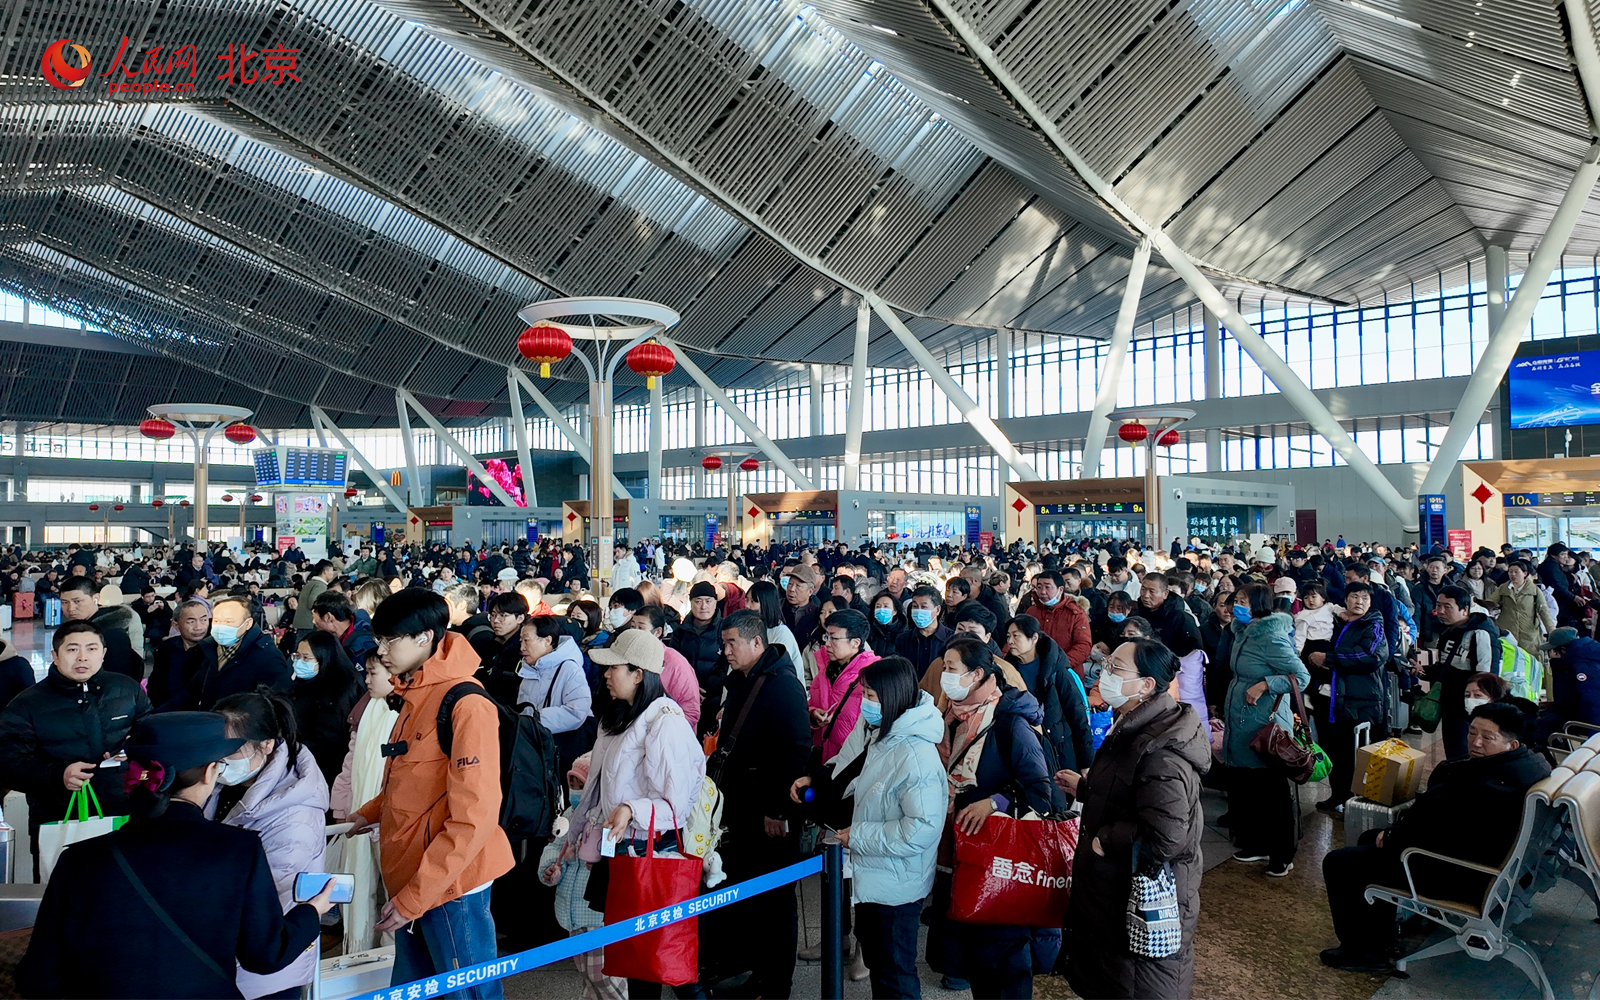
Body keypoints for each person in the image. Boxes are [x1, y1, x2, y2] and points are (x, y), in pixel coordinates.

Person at [16, 711, 337, 998]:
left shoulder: (80, 860)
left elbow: (39, 976)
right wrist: (311, 911)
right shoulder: (238, 851)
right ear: (211, 772)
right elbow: (266, 955)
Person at [348, 590, 514, 998]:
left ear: (424, 637)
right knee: (417, 990)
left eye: (390, 641)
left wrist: (416, 896)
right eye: (379, 639)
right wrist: (366, 814)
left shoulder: (466, 704)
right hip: (411, 879)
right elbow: (407, 780)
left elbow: (474, 818)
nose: (381, 651)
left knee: (470, 993)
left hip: (450, 886)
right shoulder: (413, 694)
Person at [1320, 702, 1551, 972]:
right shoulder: (1524, 765)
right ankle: (1378, 938)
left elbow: (1448, 833)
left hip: (1460, 873)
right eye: (1472, 732)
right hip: (1481, 861)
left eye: (1488, 738)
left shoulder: (1493, 784)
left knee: (1339, 862)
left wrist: (1396, 838)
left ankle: (1363, 954)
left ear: (1511, 744)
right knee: (1371, 839)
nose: (1475, 742)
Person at [1061, 638, 1208, 1000]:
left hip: (1137, 896)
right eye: (1106, 664)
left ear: (1146, 686)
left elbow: (1167, 836)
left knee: (1137, 986)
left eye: (1115, 668)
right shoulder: (1133, 725)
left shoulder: (1161, 752)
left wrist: (1106, 839)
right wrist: (1087, 789)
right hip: (1112, 892)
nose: (1104, 673)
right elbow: (1134, 793)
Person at [792, 656, 943, 999]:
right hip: (875, 875)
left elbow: (922, 829)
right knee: (882, 966)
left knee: (896, 975)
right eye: (864, 694)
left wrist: (857, 836)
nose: (866, 703)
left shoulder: (915, 754)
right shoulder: (882, 733)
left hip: (897, 886)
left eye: (872, 696)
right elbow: (848, 770)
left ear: (894, 697)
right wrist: (816, 780)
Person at [566, 629, 706, 1000]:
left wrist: (632, 809)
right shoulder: (617, 716)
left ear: (640, 673)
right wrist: (575, 834)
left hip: (652, 855)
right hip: (622, 852)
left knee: (666, 959)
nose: (606, 675)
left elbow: (676, 806)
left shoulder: (666, 722)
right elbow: (599, 787)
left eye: (614, 667)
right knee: (635, 959)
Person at [926, 637, 1053, 998]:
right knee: (974, 957)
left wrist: (993, 802)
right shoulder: (947, 717)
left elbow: (1041, 792)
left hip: (999, 861)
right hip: (958, 854)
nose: (944, 676)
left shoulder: (1010, 723)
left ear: (977, 674)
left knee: (1004, 960)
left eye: (950, 669)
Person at [706, 609, 810, 998]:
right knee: (750, 892)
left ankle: (777, 982)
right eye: (724, 642)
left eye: (733, 643)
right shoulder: (743, 679)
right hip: (741, 807)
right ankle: (757, 972)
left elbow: (796, 750)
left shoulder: (781, 684)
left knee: (775, 901)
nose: (726, 650)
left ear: (756, 642)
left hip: (769, 810)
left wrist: (778, 810)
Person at [0, 621, 151, 881]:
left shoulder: (126, 689)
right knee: (63, 895)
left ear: (103, 653)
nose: (82, 657)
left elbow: (151, 736)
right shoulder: (26, 705)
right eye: (72, 650)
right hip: (58, 815)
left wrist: (134, 751)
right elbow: (8, 764)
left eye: (91, 648)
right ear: (55, 655)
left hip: (124, 812)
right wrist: (59, 774)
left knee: (124, 891)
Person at [209, 689, 329, 1000]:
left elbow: (270, 899)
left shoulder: (295, 814)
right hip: (221, 951)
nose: (220, 758)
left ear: (266, 745)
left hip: (266, 965)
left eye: (231, 749)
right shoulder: (220, 781)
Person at [1222, 583, 1310, 877]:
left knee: (1272, 790)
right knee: (1248, 787)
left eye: (1244, 601)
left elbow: (1300, 676)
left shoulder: (1270, 636)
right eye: (1237, 600)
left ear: (1260, 604)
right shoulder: (1242, 633)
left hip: (1266, 724)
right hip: (1241, 719)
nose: (1238, 605)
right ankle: (1256, 844)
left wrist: (1266, 684)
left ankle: (1282, 853)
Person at [330, 654, 401, 953]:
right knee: (363, 887)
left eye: (373, 673)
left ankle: (393, 961)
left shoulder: (410, 712)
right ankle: (361, 955)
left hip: (393, 821)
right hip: (362, 817)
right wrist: (342, 809)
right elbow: (351, 764)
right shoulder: (367, 708)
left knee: (395, 895)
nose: (367, 680)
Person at [1307, 582, 1386, 813]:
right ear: (1346, 599)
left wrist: (1329, 658)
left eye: (1364, 598)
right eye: (1354, 596)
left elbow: (1370, 655)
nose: (1359, 601)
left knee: (1354, 754)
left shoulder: (1372, 625)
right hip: (1328, 699)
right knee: (1332, 750)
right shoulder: (1335, 622)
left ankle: (1356, 801)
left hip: (1357, 701)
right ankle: (1338, 795)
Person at [1004, 614, 1095, 793]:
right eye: (1008, 636)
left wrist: (1086, 762)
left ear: (1034, 638)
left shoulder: (1057, 671)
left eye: (1016, 636)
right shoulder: (1007, 671)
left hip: (1058, 748)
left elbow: (1078, 717)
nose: (1011, 641)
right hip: (1023, 746)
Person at [162, 597, 291, 712]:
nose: (221, 627)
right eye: (217, 621)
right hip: (212, 726)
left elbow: (278, 706)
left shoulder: (267, 657)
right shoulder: (212, 648)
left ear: (247, 624)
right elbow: (191, 692)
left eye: (229, 622)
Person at [515, 613, 594, 777]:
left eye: (527, 640)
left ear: (547, 640)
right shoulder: (529, 670)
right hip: (535, 747)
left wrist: (535, 720)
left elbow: (577, 710)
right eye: (520, 641)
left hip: (563, 749)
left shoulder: (569, 668)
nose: (522, 647)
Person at [1429, 585, 1499, 760]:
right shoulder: (1449, 632)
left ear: (1465, 609)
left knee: (1467, 752)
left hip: (1469, 709)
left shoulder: (1479, 634)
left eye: (1447, 607)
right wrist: (1424, 671)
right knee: (1453, 751)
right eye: (1438, 606)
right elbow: (1448, 667)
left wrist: (1478, 708)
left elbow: (1487, 676)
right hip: (1450, 704)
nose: (1441, 611)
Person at [287, 631, 362, 787]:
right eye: (297, 656)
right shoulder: (302, 684)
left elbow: (327, 739)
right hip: (300, 762)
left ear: (325, 658)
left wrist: (290, 751)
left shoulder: (341, 690)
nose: (299, 662)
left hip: (326, 771)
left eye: (306, 658)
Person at [808, 608, 879, 764]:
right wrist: (813, 715)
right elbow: (810, 704)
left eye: (833, 638)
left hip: (849, 763)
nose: (826, 643)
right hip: (820, 756)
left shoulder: (873, 677)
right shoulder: (825, 668)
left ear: (855, 643)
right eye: (826, 636)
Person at [622, 604, 702, 731]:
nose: (634, 633)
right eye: (632, 627)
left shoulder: (675, 663)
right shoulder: (627, 656)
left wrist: (660, 732)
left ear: (658, 632)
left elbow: (691, 713)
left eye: (641, 628)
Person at [57, 577, 141, 681]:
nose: (70, 608)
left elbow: (120, 679)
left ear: (95, 598)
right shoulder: (72, 630)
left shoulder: (113, 633)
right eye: (64, 602)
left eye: (77, 601)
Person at [670, 580, 725, 731]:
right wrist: (690, 689)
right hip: (683, 699)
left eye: (708, 601)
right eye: (698, 601)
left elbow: (726, 666)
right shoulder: (680, 632)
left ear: (715, 603)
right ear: (691, 602)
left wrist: (704, 689)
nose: (703, 606)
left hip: (713, 699)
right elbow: (673, 664)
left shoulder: (725, 630)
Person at [1536, 627, 1600, 742]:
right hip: (1577, 713)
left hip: (1591, 722)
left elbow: (1593, 703)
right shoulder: (1577, 659)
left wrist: (1594, 740)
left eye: (1553, 651)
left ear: (1563, 649)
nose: (1550, 655)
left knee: (1541, 727)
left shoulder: (1583, 666)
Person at [1025, 571, 1092, 676]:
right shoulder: (1032, 611)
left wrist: (1061, 664)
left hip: (1066, 673)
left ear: (1060, 589)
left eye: (1048, 587)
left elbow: (1083, 645)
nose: (1042, 592)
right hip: (1035, 671)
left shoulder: (1075, 613)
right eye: (1039, 587)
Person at [150, 599, 215, 708]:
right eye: (191, 622)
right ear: (176, 624)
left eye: (203, 620)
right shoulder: (166, 648)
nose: (198, 627)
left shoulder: (214, 650)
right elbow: (155, 684)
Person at [749, 579, 803, 684]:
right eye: (746, 600)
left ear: (766, 603)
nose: (747, 606)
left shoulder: (781, 633)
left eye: (753, 601)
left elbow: (776, 668)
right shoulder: (752, 629)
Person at [894, 585, 952, 680]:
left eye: (924, 607)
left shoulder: (951, 639)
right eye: (915, 606)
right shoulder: (903, 640)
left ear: (937, 610)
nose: (918, 611)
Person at [311, 591, 379, 673]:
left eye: (315, 617)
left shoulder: (363, 648)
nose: (314, 622)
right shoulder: (339, 638)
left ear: (328, 617)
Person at [293, 560, 337, 633]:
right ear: (325, 571)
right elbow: (312, 602)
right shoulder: (320, 585)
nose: (332, 573)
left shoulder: (311, 583)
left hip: (302, 622)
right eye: (332, 570)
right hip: (310, 623)